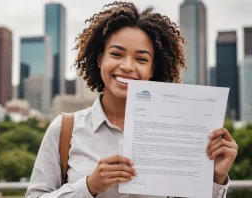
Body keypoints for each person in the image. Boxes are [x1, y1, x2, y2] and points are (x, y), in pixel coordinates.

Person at [25, 1, 238, 198]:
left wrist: (215, 178)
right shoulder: (65, 129)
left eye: (141, 59)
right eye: (116, 54)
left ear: (152, 69)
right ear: (100, 59)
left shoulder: (178, 132)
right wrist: (89, 186)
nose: (127, 66)